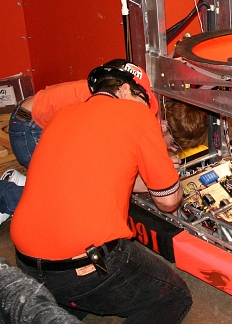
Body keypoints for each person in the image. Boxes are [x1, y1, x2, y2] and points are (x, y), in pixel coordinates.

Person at [10, 59, 192, 323]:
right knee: (173, 296)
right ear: (127, 90)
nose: (149, 113)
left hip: (27, 264)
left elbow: (111, 175)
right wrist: (172, 178)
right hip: (85, 266)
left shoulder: (64, 114)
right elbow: (168, 201)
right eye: (146, 103)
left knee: (75, 299)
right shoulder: (137, 116)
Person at [0, 72, 208, 239]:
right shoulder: (134, 114)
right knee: (71, 199)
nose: (173, 150)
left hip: (35, 121)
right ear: (163, 124)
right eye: (174, 144)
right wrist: (155, 181)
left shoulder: (139, 99)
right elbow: (110, 172)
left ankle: (20, 184)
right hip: (30, 130)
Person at [0, 79, 92, 238]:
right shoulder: (121, 101)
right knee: (64, 198)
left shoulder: (121, 87)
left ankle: (18, 187)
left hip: (32, 121)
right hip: (30, 129)